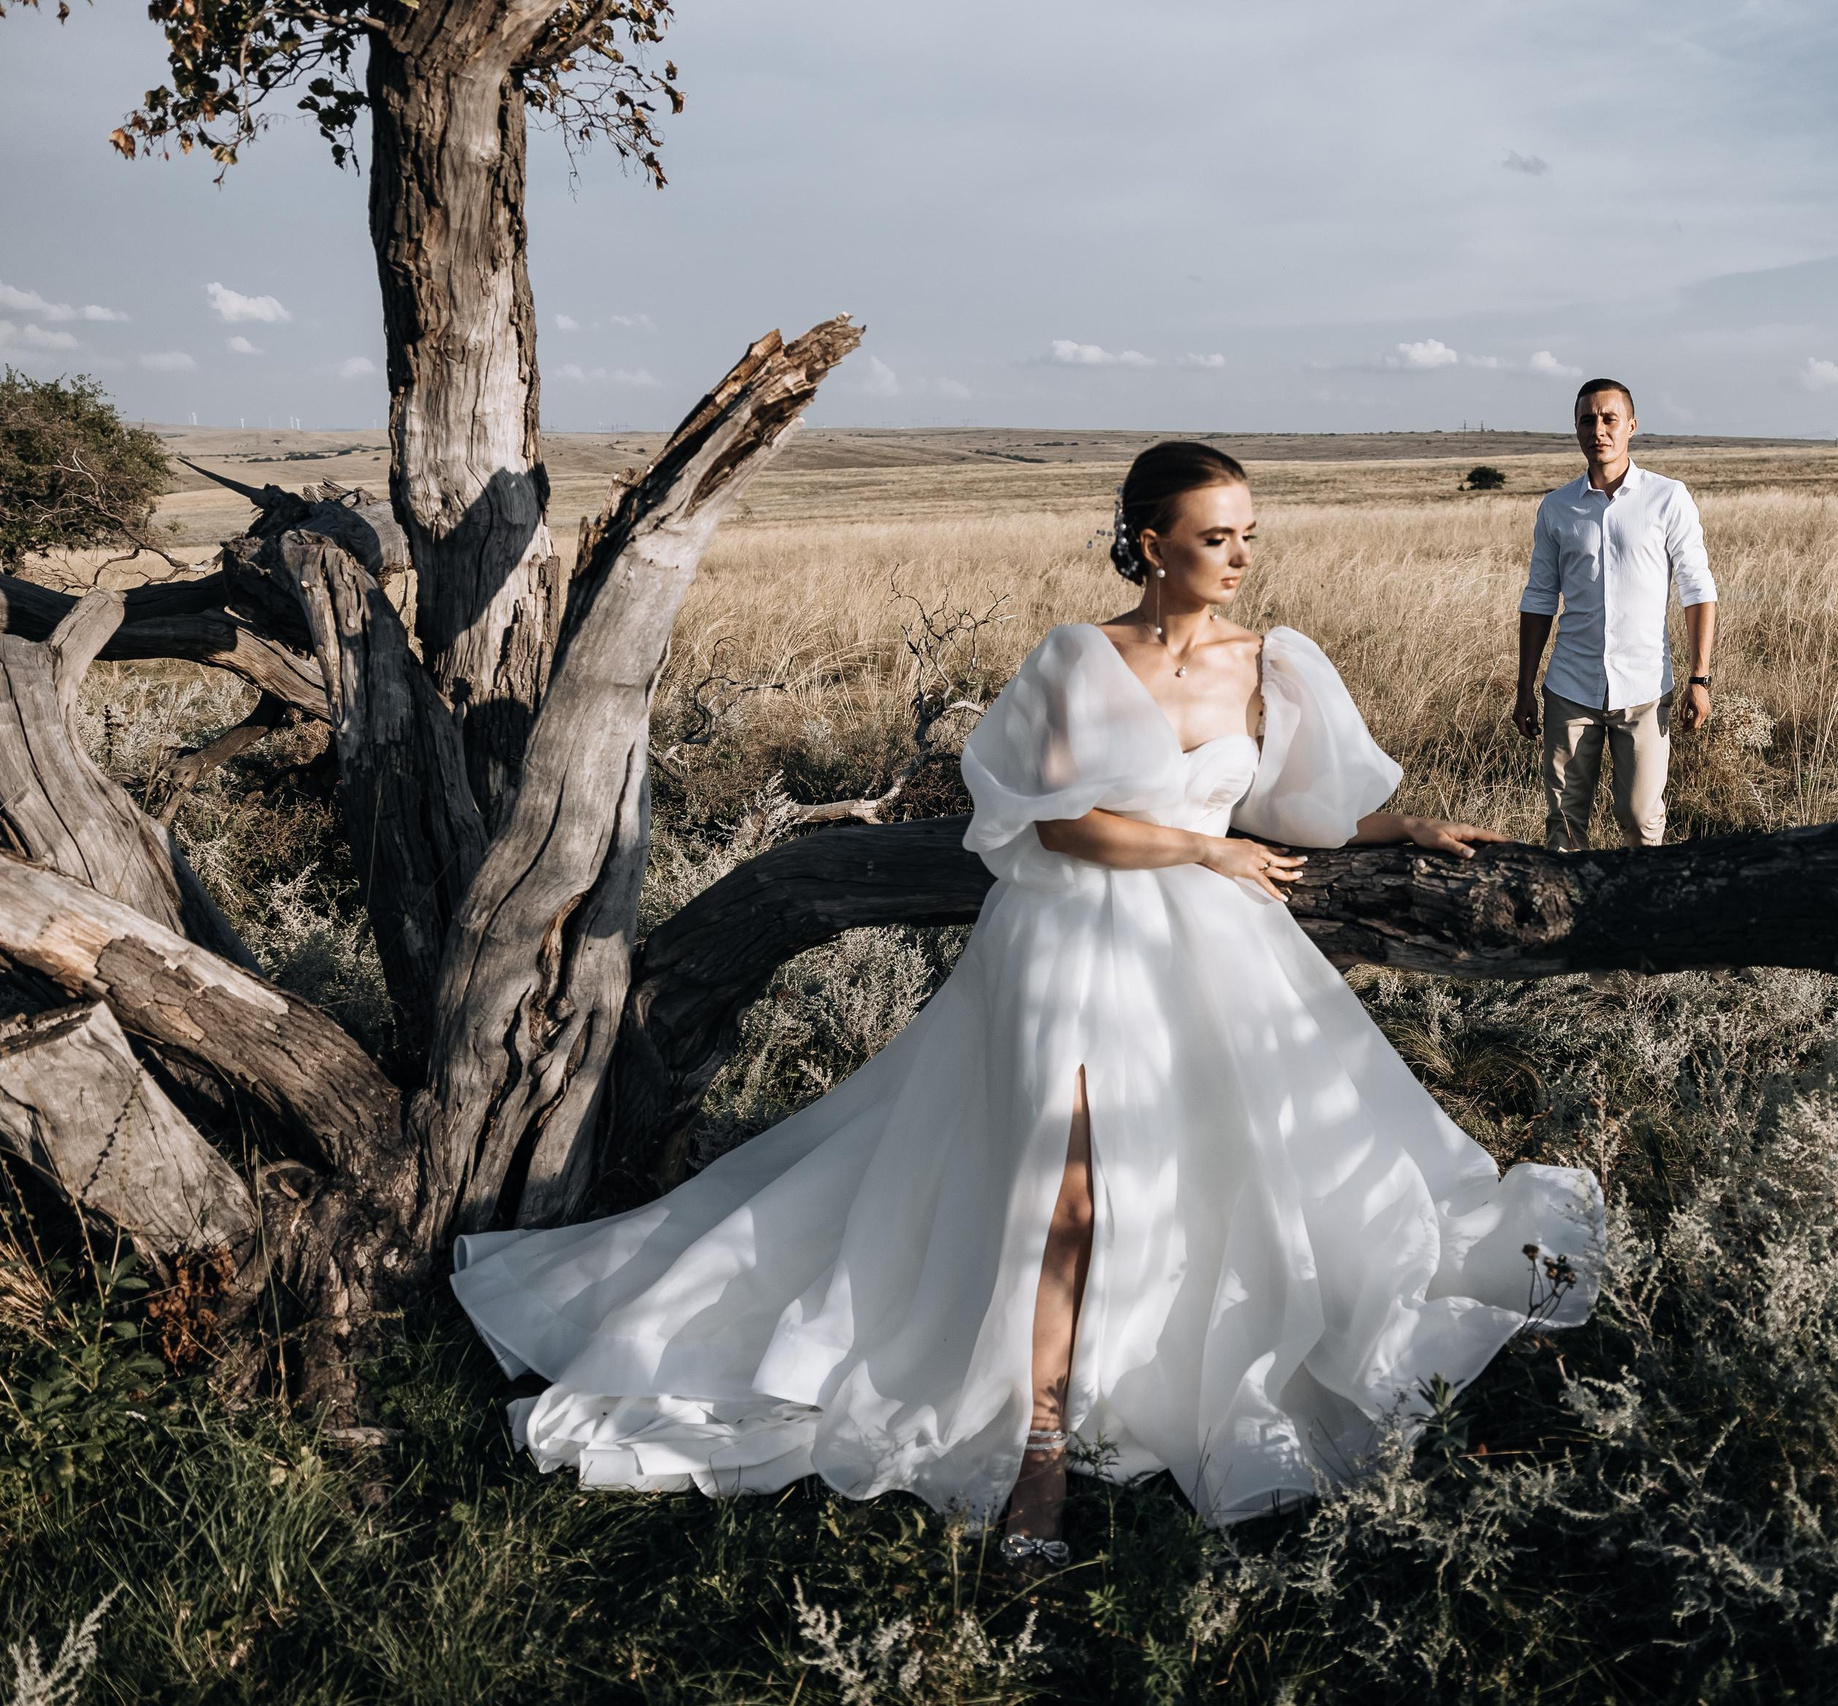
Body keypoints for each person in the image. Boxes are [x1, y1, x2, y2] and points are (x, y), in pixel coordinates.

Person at [449, 442, 1604, 1573]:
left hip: (1216, 954)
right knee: (1068, 1185)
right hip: (1068, 939)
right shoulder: (1076, 657)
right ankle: (1040, 1445)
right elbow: (1058, 824)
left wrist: (1403, 828)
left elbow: (1303, 811)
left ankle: (1156, 1369)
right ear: (1150, 545)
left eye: (1249, 533)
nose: (1240, 555)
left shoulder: (1274, 661)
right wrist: (1208, 848)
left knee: (1221, 1163)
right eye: (1216, 536)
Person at [1512, 378, 1717, 849]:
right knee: (1564, 823)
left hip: (1644, 687)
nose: (1598, 430)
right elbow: (1540, 597)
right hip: (1570, 687)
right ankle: (1567, 918)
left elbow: (1697, 588)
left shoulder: (1667, 497)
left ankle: (1641, 919)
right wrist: (1524, 687)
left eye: (1609, 419)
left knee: (1641, 818)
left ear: (1631, 426)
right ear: (1577, 430)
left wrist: (1699, 678)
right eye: (1588, 420)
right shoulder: (1557, 508)